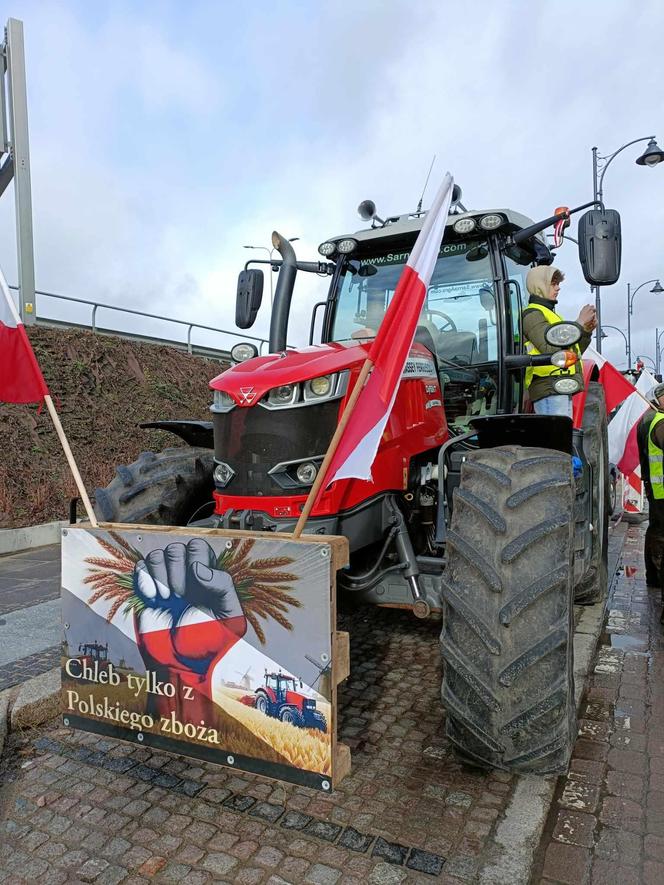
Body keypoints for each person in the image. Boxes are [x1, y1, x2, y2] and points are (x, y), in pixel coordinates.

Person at [522, 265, 596, 416]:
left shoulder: (550, 315)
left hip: (555, 388)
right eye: (553, 283)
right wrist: (579, 323)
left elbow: (571, 354)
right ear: (539, 285)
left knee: (560, 438)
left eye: (558, 284)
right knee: (555, 438)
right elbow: (550, 349)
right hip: (548, 388)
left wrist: (585, 331)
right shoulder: (532, 314)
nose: (558, 288)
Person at [637, 381, 664, 621]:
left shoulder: (648, 419)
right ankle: (656, 575)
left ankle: (653, 577)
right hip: (662, 489)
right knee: (660, 534)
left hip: (655, 487)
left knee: (655, 531)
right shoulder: (659, 422)